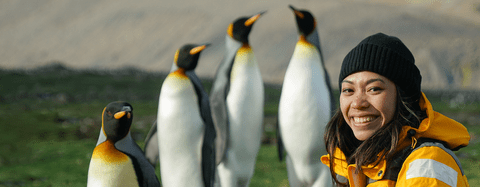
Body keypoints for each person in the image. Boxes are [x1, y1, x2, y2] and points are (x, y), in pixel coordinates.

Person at [321, 33, 470, 187]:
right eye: (348, 90)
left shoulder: (427, 164)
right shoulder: (351, 164)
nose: (358, 103)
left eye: (374, 89)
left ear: (404, 97)